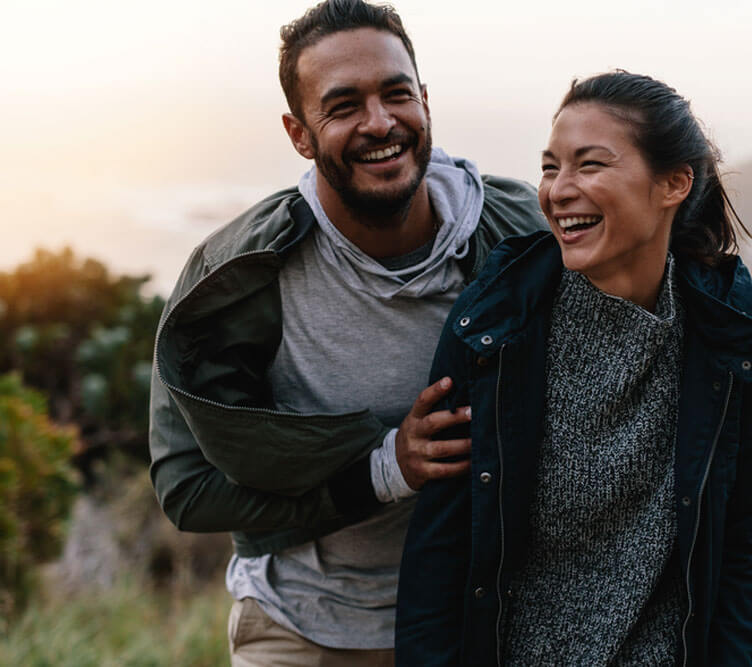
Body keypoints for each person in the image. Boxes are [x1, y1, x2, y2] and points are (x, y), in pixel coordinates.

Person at [148, 1, 545, 664]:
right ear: (298, 133)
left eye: (397, 94)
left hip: (477, 624)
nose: (380, 123)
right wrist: (386, 468)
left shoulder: (515, 231)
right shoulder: (235, 275)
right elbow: (185, 486)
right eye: (343, 106)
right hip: (300, 628)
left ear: (424, 99)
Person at [395, 71, 752, 666]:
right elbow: (441, 551)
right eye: (551, 166)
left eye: (590, 165)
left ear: (673, 184)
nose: (558, 190)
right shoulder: (493, 328)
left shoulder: (738, 345)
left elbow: (751, 555)